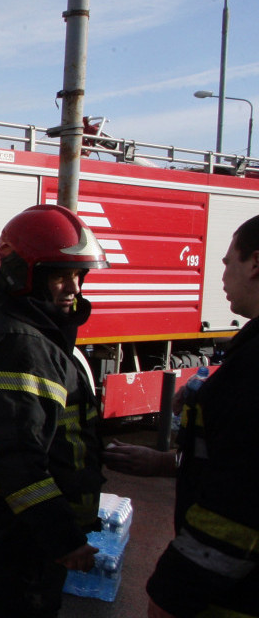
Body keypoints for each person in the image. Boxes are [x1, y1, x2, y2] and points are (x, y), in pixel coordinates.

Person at [0, 204, 109, 617]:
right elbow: (16, 455)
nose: (73, 287)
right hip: (19, 535)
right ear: (21, 273)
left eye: (78, 275)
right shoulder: (22, 344)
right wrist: (63, 539)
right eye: (59, 275)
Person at [106, 214, 259, 618]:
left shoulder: (253, 367)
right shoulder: (247, 356)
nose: (221, 275)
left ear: (256, 263)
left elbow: (238, 498)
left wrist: (174, 587)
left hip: (233, 591)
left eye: (228, 262)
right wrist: (166, 462)